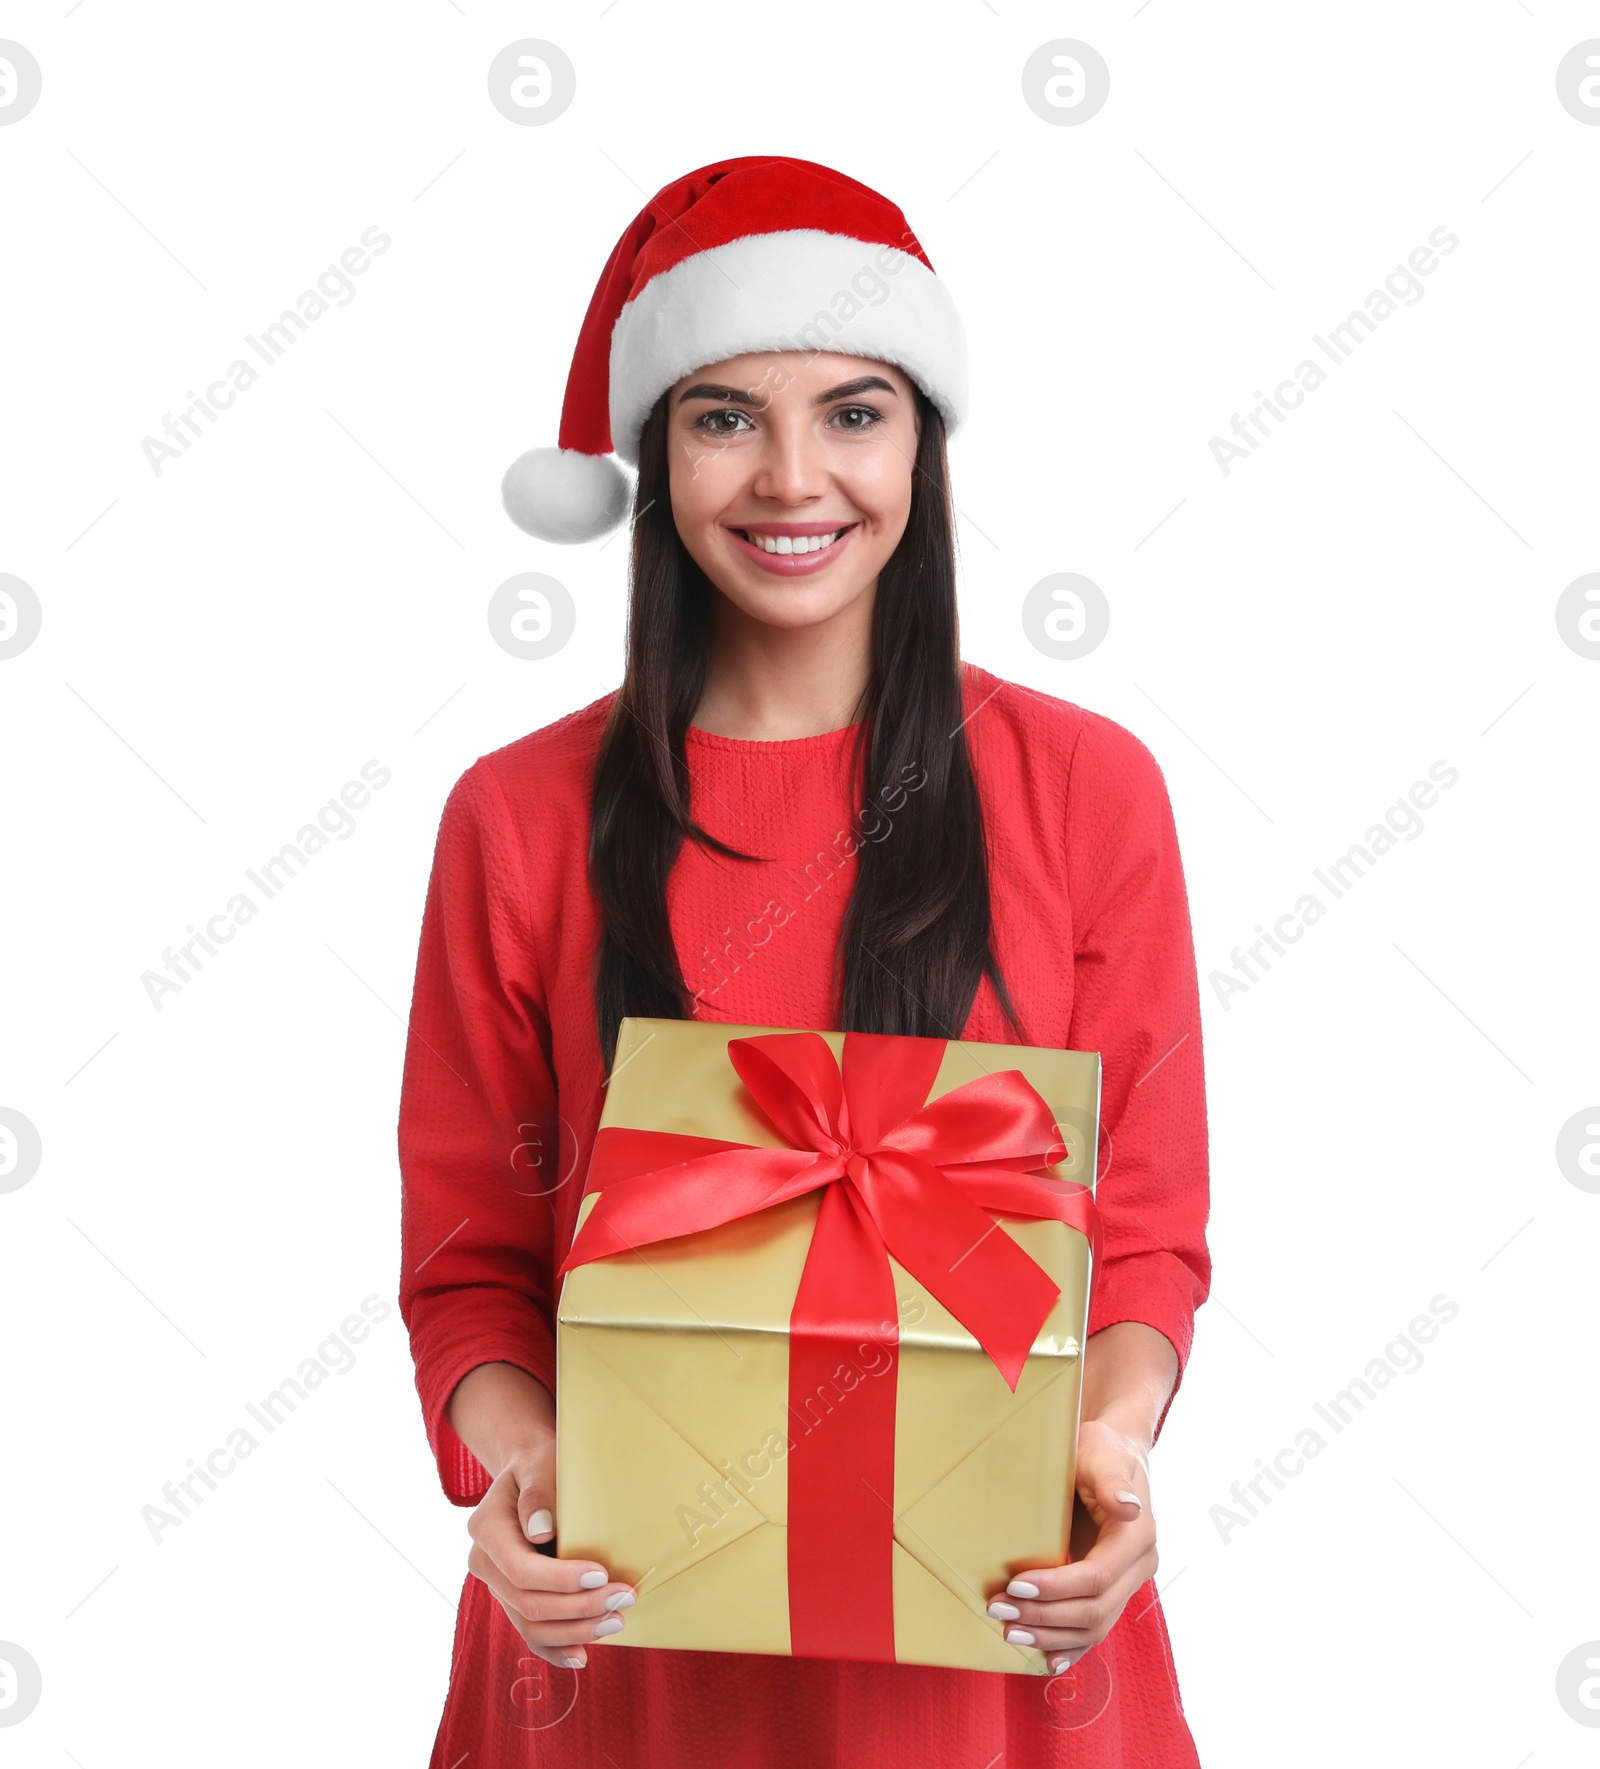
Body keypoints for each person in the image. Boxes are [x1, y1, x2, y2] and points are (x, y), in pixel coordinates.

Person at [397, 155, 1212, 1767]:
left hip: (992, 1649)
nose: (791, 478)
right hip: (624, 1660)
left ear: (923, 440)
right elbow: (474, 1273)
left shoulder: (1084, 789)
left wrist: (1112, 1451)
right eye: (722, 418)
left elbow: (1140, 1244)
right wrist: (520, 1480)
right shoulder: (518, 818)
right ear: (652, 452)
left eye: (853, 413)